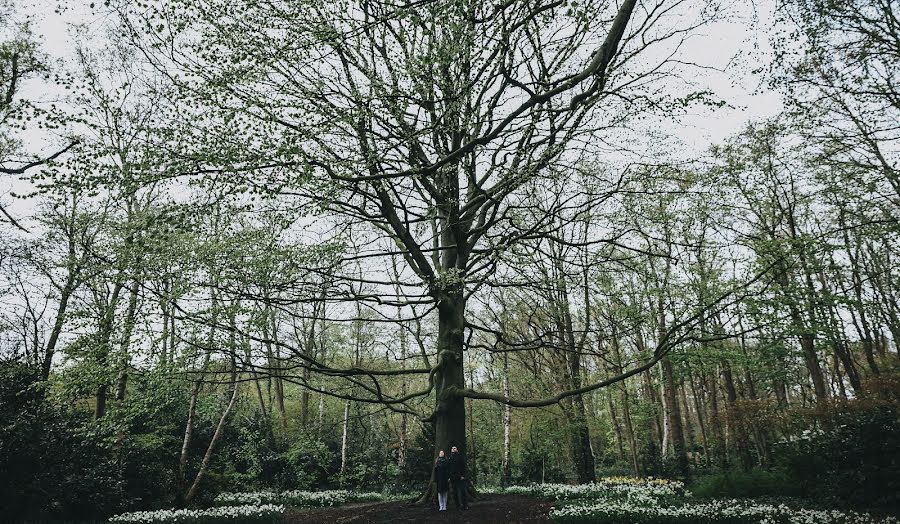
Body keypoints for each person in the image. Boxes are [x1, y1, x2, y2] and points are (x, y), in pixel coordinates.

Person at [448, 445, 468, 510]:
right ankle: (457, 505)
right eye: (452, 448)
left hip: (460, 477)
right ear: (451, 450)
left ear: (457, 450)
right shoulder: (450, 458)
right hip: (452, 477)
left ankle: (465, 505)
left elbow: (463, 466)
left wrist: (463, 475)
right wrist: (449, 477)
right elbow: (449, 468)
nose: (453, 449)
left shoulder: (460, 457)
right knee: (455, 492)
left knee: (462, 491)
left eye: (455, 448)